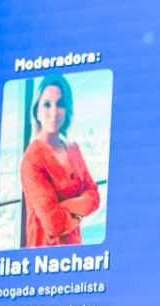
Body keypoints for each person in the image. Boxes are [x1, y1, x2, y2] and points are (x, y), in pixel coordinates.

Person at [20, 73, 101, 246]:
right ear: (37, 111)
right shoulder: (32, 158)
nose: (54, 112)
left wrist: (64, 208)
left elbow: (94, 197)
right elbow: (53, 224)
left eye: (60, 104)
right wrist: (80, 212)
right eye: (47, 105)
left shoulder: (73, 149)